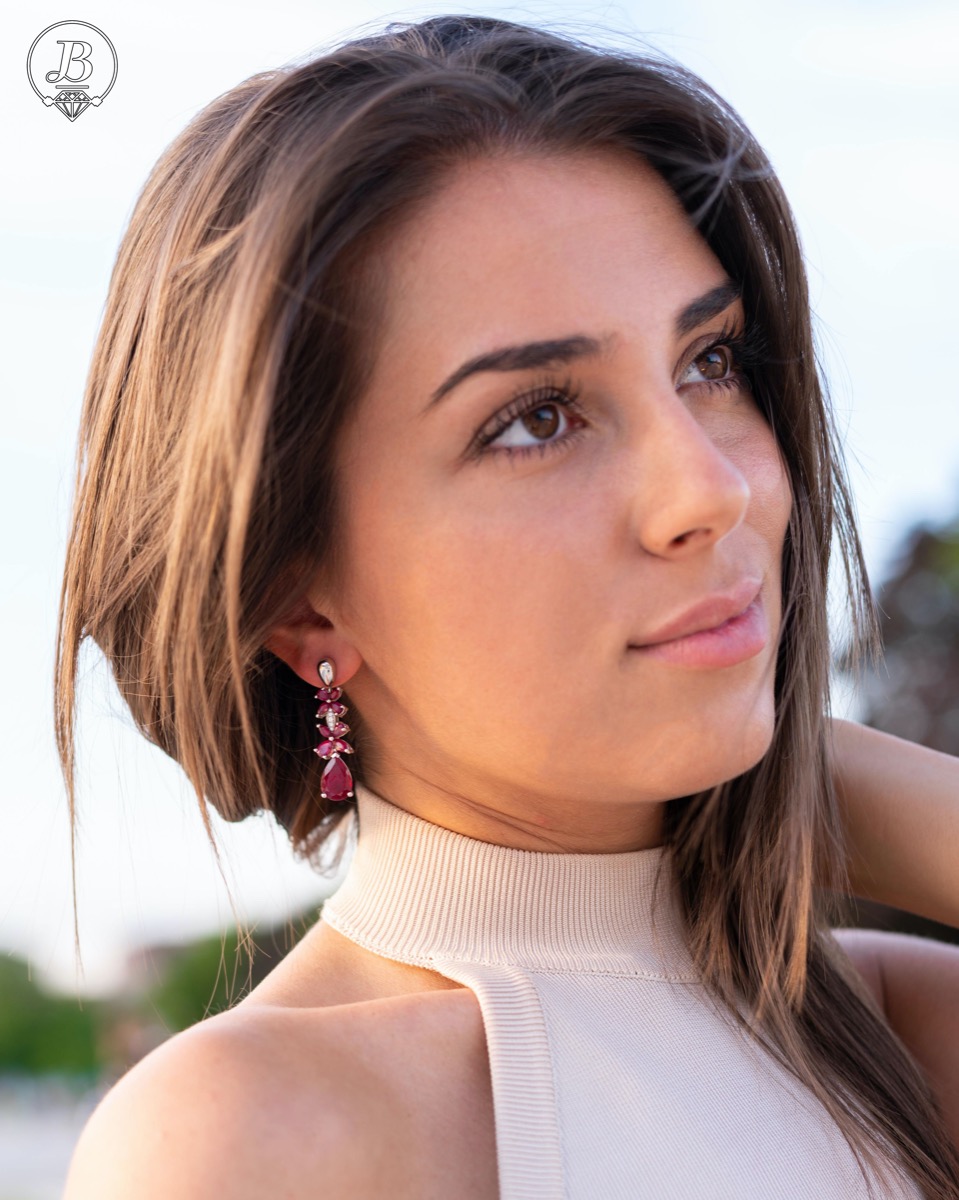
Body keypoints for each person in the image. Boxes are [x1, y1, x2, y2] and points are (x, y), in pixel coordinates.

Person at [56, 15, 959, 1200]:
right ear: (295, 605)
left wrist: (825, 777)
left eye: (711, 362)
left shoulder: (888, 1032)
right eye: (534, 417)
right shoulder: (254, 1133)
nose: (712, 486)